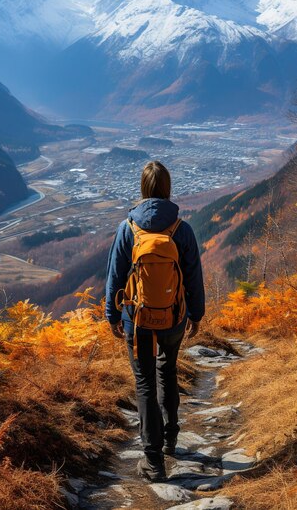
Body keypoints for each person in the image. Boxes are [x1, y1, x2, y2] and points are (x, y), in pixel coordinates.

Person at [105, 160, 205, 482]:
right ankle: (171, 439)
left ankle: (152, 461)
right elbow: (193, 277)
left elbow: (115, 277)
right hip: (174, 318)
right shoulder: (182, 229)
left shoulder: (128, 229)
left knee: (145, 382)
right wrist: (196, 315)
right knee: (168, 370)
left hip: (138, 319)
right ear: (167, 188)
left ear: (143, 189)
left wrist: (112, 315)